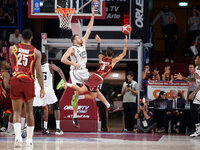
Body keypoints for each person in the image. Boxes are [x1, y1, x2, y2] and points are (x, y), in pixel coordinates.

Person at [64, 35, 128, 128]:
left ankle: (107, 106)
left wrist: (99, 42)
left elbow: (98, 51)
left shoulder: (102, 57)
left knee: (94, 95)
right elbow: (124, 53)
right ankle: (66, 83)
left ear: (106, 53)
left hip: (95, 76)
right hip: (97, 78)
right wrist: (126, 42)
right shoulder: (113, 61)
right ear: (113, 54)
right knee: (81, 90)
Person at [9, 29, 45, 147]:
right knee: (29, 112)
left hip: (16, 80)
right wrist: (42, 88)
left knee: (17, 112)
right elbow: (39, 73)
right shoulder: (36, 52)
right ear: (32, 37)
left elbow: (12, 64)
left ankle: (18, 137)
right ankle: (29, 139)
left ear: (21, 37)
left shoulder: (12, 49)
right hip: (29, 82)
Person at [60, 7, 95, 128]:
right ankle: (75, 116)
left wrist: (93, 16)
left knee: (93, 91)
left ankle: (65, 84)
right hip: (75, 72)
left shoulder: (83, 44)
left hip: (84, 71)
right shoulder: (72, 48)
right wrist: (74, 64)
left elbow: (89, 29)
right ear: (74, 41)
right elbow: (63, 59)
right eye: (78, 37)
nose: (81, 38)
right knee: (75, 93)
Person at [33, 53, 66, 135]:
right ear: (46, 58)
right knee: (56, 107)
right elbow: (59, 70)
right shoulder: (50, 66)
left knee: (34, 109)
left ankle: (28, 127)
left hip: (38, 89)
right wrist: (64, 81)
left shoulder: (35, 67)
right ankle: (58, 128)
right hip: (48, 89)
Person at [174, 55, 200, 136]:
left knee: (193, 109)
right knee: (193, 109)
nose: (195, 60)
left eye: (196, 58)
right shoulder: (196, 69)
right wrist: (183, 78)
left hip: (198, 91)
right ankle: (198, 129)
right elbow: (194, 80)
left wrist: (194, 92)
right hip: (198, 92)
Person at [0, 57, 13, 133]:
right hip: (5, 95)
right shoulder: (6, 73)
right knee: (14, 109)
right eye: (7, 63)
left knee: (7, 111)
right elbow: (7, 86)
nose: (9, 64)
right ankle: (9, 128)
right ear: (3, 66)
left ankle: (4, 126)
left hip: (1, 94)